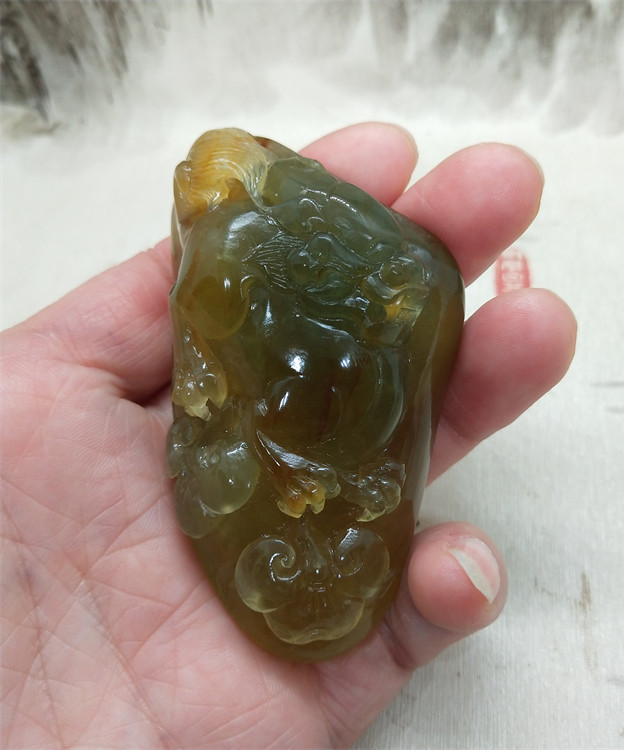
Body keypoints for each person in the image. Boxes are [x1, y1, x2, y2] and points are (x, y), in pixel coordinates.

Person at [1, 123, 576, 748]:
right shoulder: (235, 241)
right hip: (295, 419)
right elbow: (210, 318)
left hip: (335, 399)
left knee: (358, 390)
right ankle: (298, 468)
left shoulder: (295, 234)